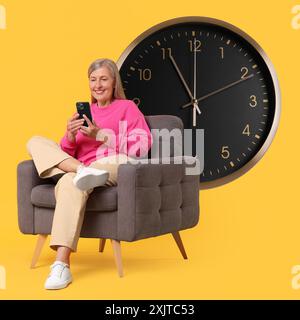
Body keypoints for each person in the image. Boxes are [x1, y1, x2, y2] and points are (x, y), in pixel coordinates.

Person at [26, 58, 153, 290]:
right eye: (93, 80)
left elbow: (141, 148)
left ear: (114, 82)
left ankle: (61, 265)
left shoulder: (127, 108)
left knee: (71, 180)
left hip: (114, 165)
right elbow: (64, 154)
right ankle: (83, 173)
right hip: (81, 169)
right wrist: (70, 136)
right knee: (37, 144)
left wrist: (101, 135)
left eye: (103, 79)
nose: (97, 85)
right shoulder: (84, 112)